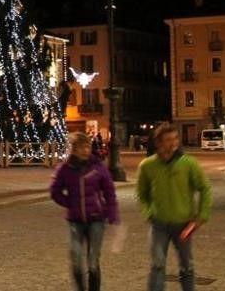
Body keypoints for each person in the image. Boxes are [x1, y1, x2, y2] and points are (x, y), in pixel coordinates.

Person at [137, 124, 212, 291]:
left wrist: (201, 216)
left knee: (187, 266)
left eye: (175, 139)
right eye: (168, 140)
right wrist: (148, 213)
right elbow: (142, 193)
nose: (173, 143)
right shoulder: (147, 166)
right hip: (159, 224)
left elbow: (205, 188)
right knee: (157, 265)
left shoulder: (189, 163)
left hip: (184, 224)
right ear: (158, 143)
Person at [50, 132, 120, 291]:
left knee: (93, 261)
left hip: (96, 219)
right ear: (73, 149)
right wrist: (70, 203)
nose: (85, 150)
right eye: (81, 147)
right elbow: (54, 191)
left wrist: (112, 213)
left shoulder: (98, 167)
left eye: (87, 146)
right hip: (75, 221)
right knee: (76, 260)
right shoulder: (65, 169)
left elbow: (109, 191)